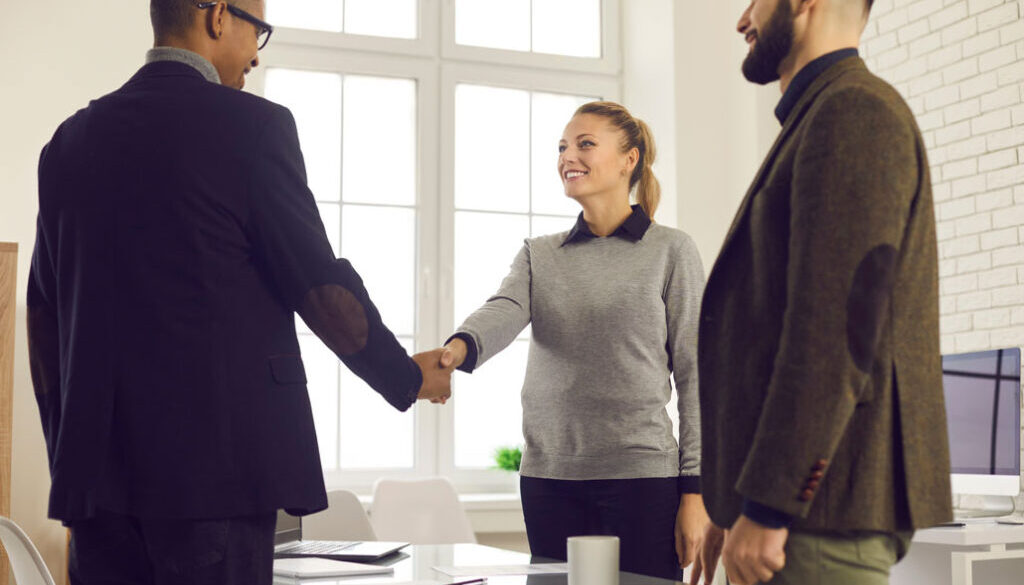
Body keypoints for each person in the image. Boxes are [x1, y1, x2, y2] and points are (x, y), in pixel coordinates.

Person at [26, 1, 452, 583]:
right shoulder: (253, 127)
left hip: (97, 487)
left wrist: (72, 460)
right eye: (260, 31)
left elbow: (44, 315)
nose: (256, 54)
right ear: (218, 15)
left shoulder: (69, 141)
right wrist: (405, 376)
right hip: (215, 481)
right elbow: (318, 285)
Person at [691, 1, 953, 584]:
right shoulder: (821, 115)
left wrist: (768, 504)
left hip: (815, 519)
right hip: (793, 518)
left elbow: (833, 333)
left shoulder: (854, 113)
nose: (742, 20)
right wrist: (733, 501)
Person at [437, 101, 708, 581]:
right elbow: (503, 309)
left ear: (630, 159)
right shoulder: (540, 254)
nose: (568, 156)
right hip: (549, 479)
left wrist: (695, 491)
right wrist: (455, 349)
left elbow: (696, 375)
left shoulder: (671, 250)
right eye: (562, 146)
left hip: (643, 480)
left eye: (585, 144)